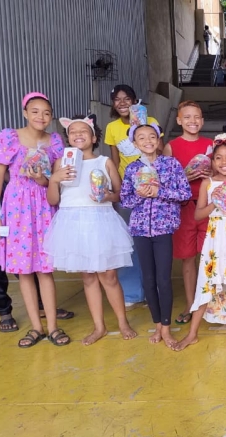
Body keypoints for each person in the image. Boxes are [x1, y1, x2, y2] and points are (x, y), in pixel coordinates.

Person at [0, 123, 70, 333]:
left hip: (21, 219)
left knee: (31, 267)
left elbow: (11, 176)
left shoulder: (13, 153)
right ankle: (4, 312)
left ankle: (43, 309)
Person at [44, 115, 137, 345]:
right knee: (88, 277)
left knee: (109, 276)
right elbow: (53, 200)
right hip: (72, 223)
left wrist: (107, 195)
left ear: (94, 138)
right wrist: (53, 180)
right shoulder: (61, 163)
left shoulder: (105, 162)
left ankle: (122, 322)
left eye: (83, 131)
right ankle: (99, 327)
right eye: (73, 131)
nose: (78, 134)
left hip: (100, 221)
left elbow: (119, 194)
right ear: (68, 138)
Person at [0, 92, 69, 348]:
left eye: (46, 113)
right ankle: (36, 328)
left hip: (43, 206)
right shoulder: (9, 138)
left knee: (45, 269)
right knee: (24, 271)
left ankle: (53, 327)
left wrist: (41, 179)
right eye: (35, 111)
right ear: (25, 113)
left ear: (51, 116)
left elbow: (54, 181)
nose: (40, 117)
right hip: (16, 208)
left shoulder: (55, 142)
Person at [175, 135, 226, 350]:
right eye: (219, 158)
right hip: (214, 240)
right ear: (212, 161)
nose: (224, 162)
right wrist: (216, 202)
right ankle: (192, 333)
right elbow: (198, 215)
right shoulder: (208, 183)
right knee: (207, 282)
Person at [121, 124, 192, 348]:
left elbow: (185, 193)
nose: (148, 141)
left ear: (158, 139)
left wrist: (159, 191)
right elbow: (125, 200)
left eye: (152, 136)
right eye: (141, 138)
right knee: (149, 279)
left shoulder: (171, 164)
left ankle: (167, 327)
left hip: (164, 229)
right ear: (135, 144)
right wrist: (140, 195)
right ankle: (157, 325)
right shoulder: (132, 169)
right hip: (140, 229)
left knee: (163, 279)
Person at [105, 84, 160, 311]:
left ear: (135, 101)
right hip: (129, 192)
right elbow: (115, 162)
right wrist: (118, 192)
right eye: (117, 99)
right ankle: (132, 292)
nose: (122, 103)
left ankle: (154, 291)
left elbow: (159, 152)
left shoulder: (151, 121)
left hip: (154, 189)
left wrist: (142, 126)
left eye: (127, 98)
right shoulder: (112, 127)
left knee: (153, 242)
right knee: (129, 243)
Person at [163, 101, 214, 325]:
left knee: (210, 257)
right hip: (183, 208)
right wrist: (184, 177)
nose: (192, 121)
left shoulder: (211, 145)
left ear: (202, 120)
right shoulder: (171, 147)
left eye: (197, 117)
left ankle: (212, 303)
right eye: (187, 117)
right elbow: (166, 182)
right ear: (179, 120)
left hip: (209, 207)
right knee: (188, 259)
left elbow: (222, 173)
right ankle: (191, 304)